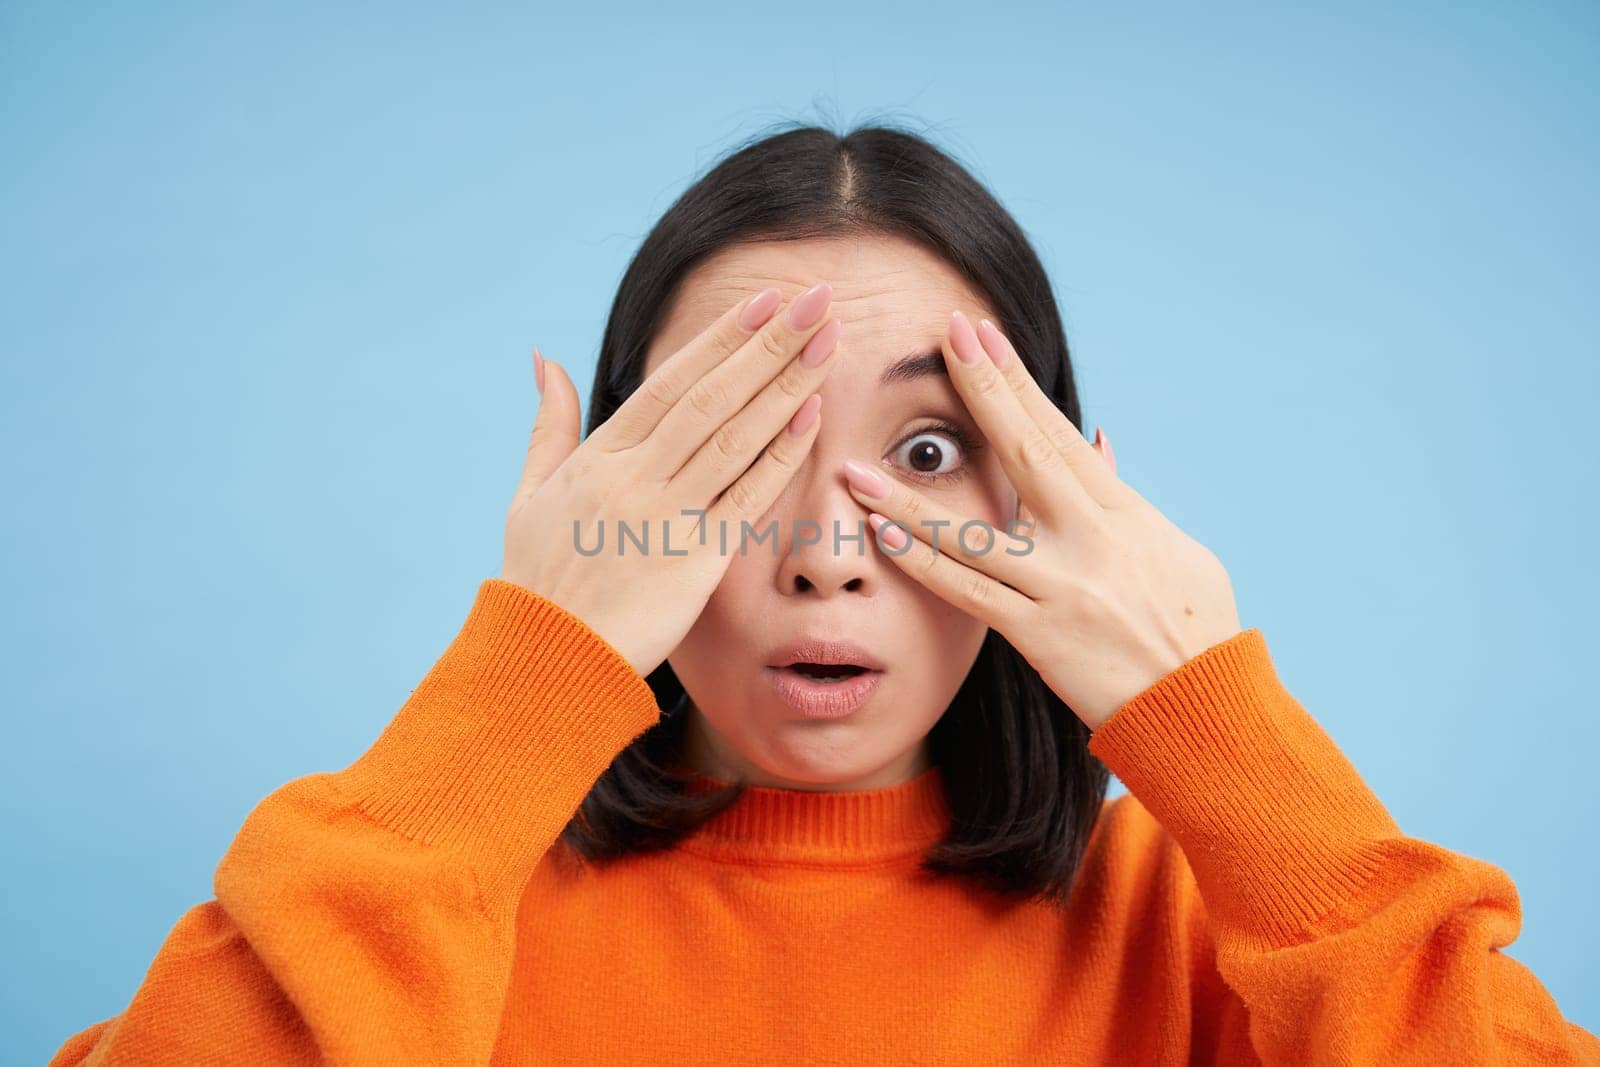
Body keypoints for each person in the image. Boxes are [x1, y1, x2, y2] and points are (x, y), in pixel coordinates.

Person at [49, 124, 1599, 1066]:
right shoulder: (432, 914)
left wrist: (1218, 725)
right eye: (737, 443)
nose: (823, 549)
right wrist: (528, 670)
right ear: (611, 496)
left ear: (1048, 489)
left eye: (926, 447)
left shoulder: (1206, 935)